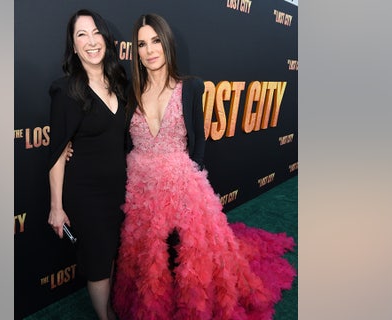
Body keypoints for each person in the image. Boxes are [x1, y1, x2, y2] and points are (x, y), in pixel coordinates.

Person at [111, 13, 297, 319]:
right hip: (141, 185)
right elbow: (121, 140)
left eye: (156, 40)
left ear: (167, 43)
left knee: (192, 259)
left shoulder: (191, 87)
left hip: (182, 179)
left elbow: (198, 140)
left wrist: (189, 180)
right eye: (142, 44)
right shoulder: (129, 91)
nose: (149, 50)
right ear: (136, 50)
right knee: (148, 260)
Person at [47, 9, 127, 320]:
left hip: (118, 190)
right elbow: (56, 153)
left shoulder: (119, 82)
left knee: (109, 257)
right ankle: (104, 317)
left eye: (96, 33)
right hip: (85, 194)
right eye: (82, 35)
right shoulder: (66, 90)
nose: (91, 41)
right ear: (74, 45)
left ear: (105, 39)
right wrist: (56, 206)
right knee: (97, 263)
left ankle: (109, 308)